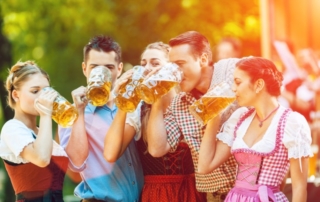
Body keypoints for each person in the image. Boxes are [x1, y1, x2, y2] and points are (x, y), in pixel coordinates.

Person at [198, 57, 312, 202]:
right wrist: (214, 116)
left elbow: (299, 188)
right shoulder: (240, 118)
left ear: (258, 84)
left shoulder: (292, 122)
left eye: (238, 82)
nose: (233, 88)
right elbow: (204, 166)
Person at [104, 41, 207, 202]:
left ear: (172, 69)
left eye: (155, 63)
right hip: (156, 195)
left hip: (192, 193)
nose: (147, 69)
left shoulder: (190, 104)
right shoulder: (139, 110)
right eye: (143, 64)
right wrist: (123, 103)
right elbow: (110, 154)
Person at [146, 31, 238, 202]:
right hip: (214, 197)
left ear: (203, 59)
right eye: (172, 66)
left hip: (251, 192)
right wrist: (158, 99)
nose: (176, 73)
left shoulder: (232, 71)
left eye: (180, 64)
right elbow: (157, 149)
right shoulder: (179, 104)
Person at [58, 35, 143, 201]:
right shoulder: (72, 113)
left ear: (119, 69)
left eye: (109, 67)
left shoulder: (134, 104)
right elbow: (75, 163)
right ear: (84, 69)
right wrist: (80, 112)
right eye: (94, 67)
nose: (102, 73)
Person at [0, 61, 69, 201]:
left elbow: (78, 164)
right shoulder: (12, 128)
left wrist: (79, 111)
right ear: (15, 95)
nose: (43, 97)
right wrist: (46, 114)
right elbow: (42, 159)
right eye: (35, 91)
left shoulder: (43, 133)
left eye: (46, 91)